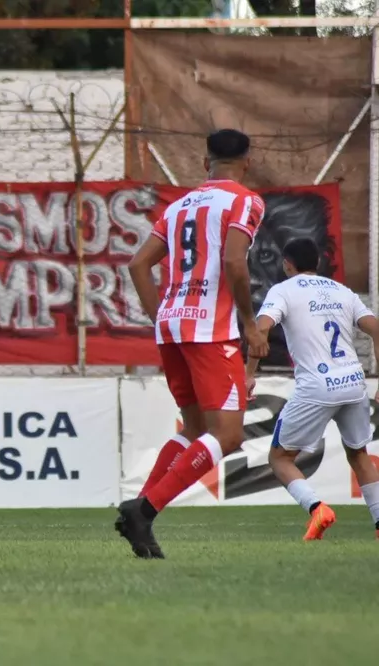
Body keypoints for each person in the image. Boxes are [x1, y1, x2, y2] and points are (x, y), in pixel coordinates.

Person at [119, 129, 269, 558]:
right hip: (211, 330)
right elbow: (235, 262)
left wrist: (159, 315)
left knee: (196, 429)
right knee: (227, 435)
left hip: (171, 325)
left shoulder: (180, 205)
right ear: (248, 161)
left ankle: (137, 511)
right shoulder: (245, 201)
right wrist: (249, 323)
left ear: (205, 163)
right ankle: (145, 510)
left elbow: (138, 264)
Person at [245, 238, 379, 540]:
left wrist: (249, 374)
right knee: (358, 454)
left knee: (279, 458)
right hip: (353, 382)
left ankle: (317, 508)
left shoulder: (282, 291)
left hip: (317, 386)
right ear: (317, 264)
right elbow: (376, 328)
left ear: (286, 264)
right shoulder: (342, 291)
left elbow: (262, 328)